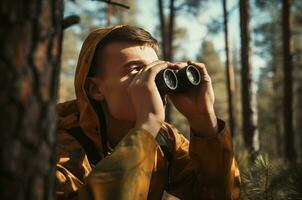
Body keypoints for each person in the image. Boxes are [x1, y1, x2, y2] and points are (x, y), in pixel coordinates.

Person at [56, 25, 241, 200]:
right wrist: (147, 126)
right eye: (136, 70)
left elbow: (219, 195)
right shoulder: (55, 145)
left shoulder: (163, 139)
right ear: (95, 89)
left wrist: (203, 118)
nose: (149, 82)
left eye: (155, 70)